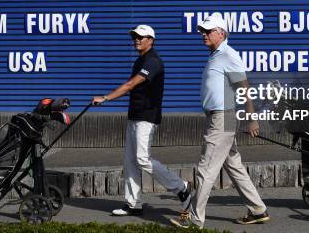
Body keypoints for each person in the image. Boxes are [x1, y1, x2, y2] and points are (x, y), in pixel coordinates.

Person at [170, 13, 270, 229]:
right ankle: (258, 209)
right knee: (234, 166)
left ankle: (195, 220)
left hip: (222, 117)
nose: (203, 35)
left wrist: (252, 119)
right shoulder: (216, 55)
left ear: (222, 33)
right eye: (203, 31)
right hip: (217, 117)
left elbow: (244, 88)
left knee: (205, 169)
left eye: (208, 31)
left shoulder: (228, 55)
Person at [92, 25, 191, 216]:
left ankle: (180, 187)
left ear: (151, 40)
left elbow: (130, 85)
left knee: (142, 159)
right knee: (130, 161)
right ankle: (133, 203)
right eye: (135, 37)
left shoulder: (153, 61)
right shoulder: (140, 60)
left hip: (147, 117)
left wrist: (105, 98)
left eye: (141, 37)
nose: (136, 39)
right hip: (135, 115)